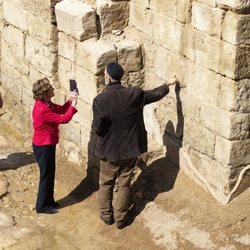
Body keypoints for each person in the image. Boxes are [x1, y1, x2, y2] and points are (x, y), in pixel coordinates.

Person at [92, 62, 178, 229]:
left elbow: (98, 128)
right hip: (130, 150)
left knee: (106, 183)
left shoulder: (100, 100)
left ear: (108, 77)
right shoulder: (134, 94)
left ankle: (106, 215)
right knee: (124, 184)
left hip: (109, 152)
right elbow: (154, 94)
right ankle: (121, 218)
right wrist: (167, 84)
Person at [32, 77, 78, 214]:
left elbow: (62, 109)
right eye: (50, 88)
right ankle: (41, 206)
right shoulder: (42, 109)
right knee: (46, 174)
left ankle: (49, 201)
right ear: (45, 93)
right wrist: (74, 106)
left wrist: (71, 100)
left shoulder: (47, 104)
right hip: (42, 146)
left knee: (51, 172)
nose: (53, 89)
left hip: (48, 143)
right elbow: (64, 118)